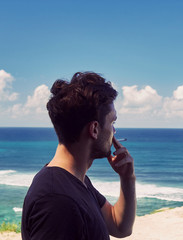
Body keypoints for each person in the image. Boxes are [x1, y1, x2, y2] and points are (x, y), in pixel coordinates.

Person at [21, 72, 136, 240]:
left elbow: (119, 226)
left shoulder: (76, 181)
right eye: (112, 123)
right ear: (94, 129)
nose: (114, 132)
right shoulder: (57, 201)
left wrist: (127, 178)